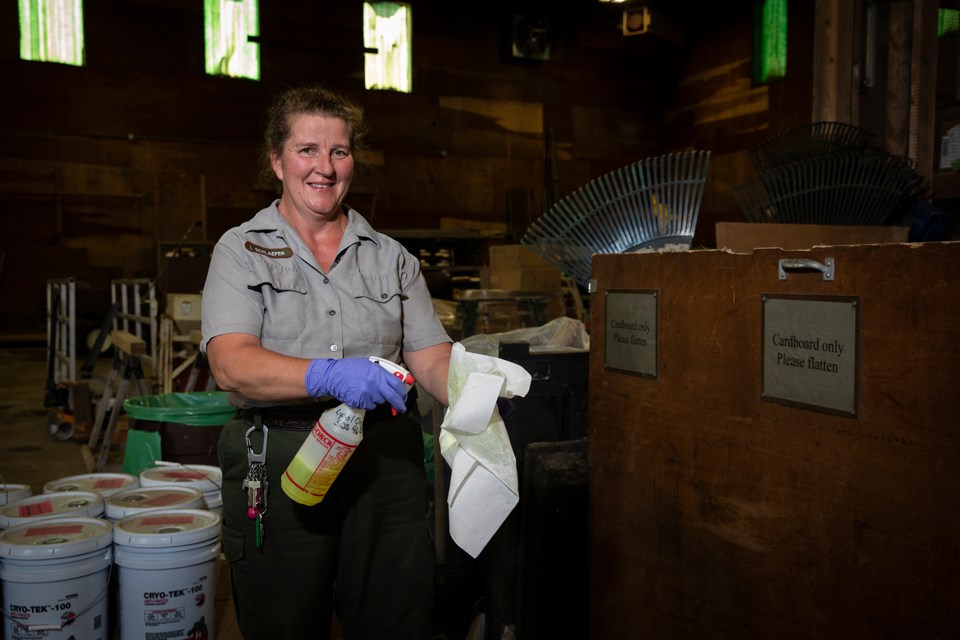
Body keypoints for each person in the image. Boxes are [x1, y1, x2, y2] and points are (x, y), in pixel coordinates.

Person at [200, 84, 452, 639]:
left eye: (339, 151)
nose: (325, 167)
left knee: (396, 620)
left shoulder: (392, 258)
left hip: (385, 463)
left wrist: (484, 392)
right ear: (277, 160)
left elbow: (433, 360)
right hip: (284, 458)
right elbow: (231, 365)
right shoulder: (239, 250)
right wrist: (328, 375)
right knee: (284, 622)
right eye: (307, 150)